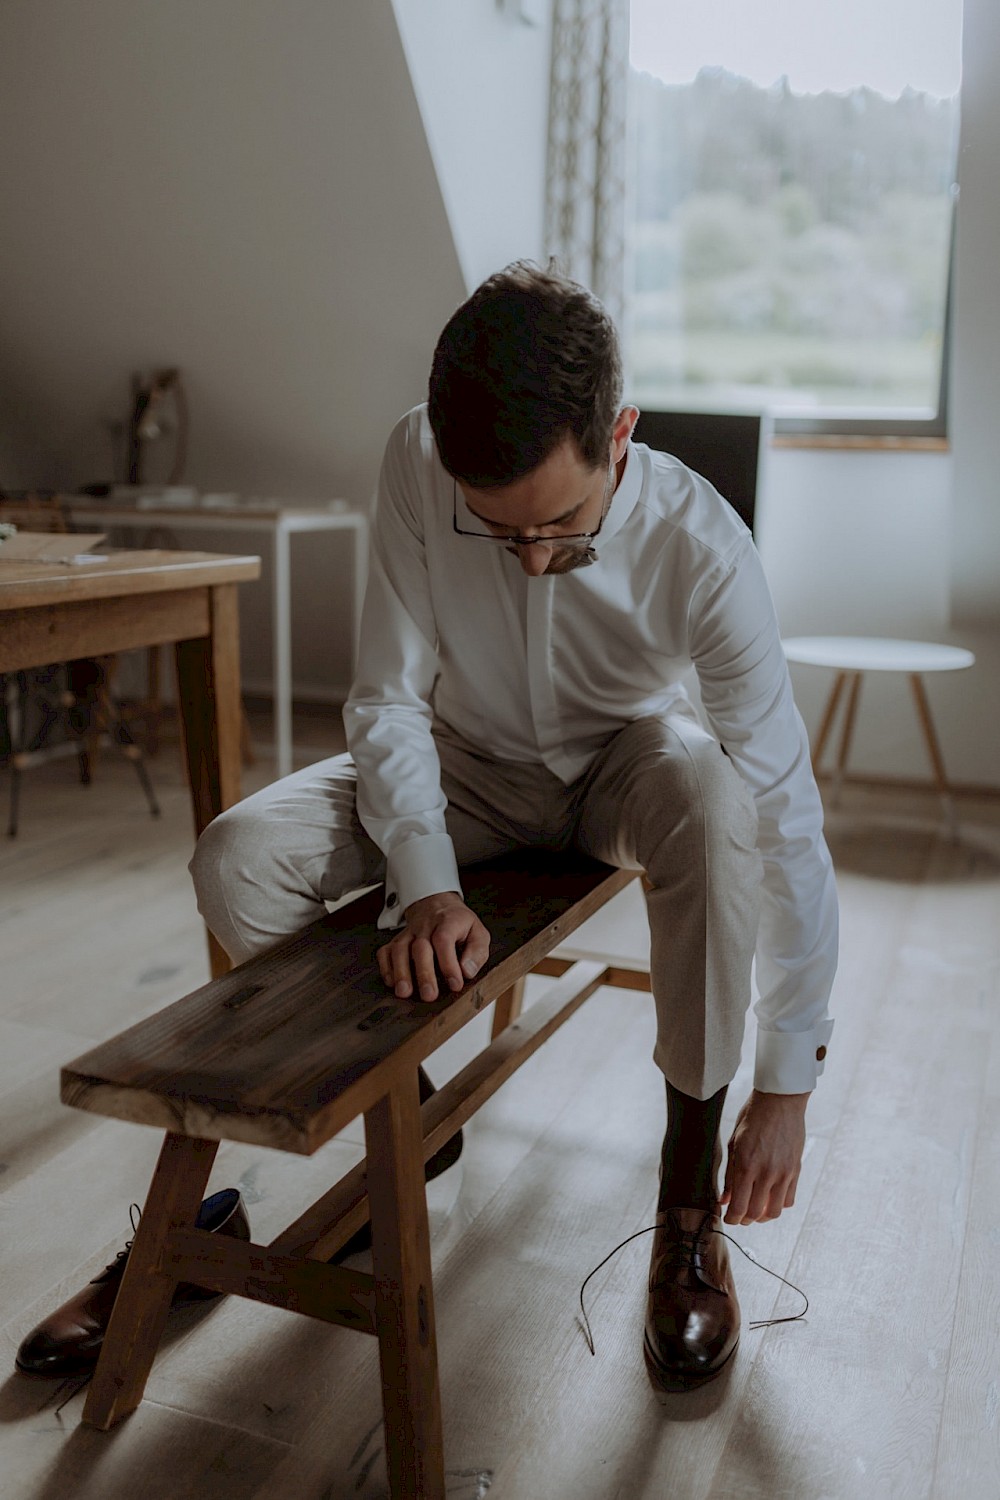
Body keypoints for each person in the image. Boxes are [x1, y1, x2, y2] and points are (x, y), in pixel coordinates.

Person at [16, 261, 837, 1392]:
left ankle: (687, 1211)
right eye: (501, 535)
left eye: (559, 526)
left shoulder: (706, 546)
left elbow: (786, 811)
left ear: (621, 434)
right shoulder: (415, 456)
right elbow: (388, 696)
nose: (536, 559)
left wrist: (787, 1083)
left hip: (623, 767)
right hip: (464, 764)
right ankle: (406, 1128)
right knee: (236, 856)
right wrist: (428, 883)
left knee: (711, 795)